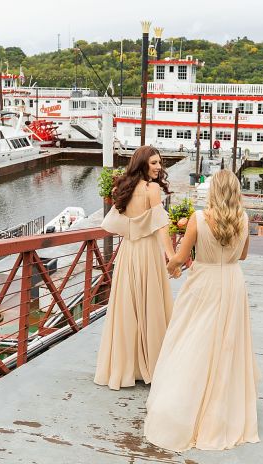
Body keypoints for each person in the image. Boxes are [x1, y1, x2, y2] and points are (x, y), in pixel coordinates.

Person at [144, 170, 259, 451]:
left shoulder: (197, 219)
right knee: (226, 345)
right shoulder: (244, 219)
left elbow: (181, 259)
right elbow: (243, 256)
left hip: (203, 282)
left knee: (190, 339)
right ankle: (221, 412)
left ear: (212, 191)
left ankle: (183, 408)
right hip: (231, 282)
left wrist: (171, 266)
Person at [95, 145, 175, 390]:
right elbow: (161, 226)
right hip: (148, 252)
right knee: (150, 306)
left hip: (128, 252)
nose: (158, 167)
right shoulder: (152, 190)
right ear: (142, 164)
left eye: (159, 163)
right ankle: (151, 364)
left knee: (127, 308)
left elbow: (111, 223)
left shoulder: (122, 188)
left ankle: (126, 367)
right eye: (153, 163)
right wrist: (172, 256)